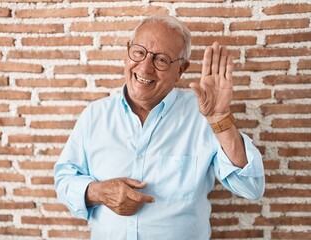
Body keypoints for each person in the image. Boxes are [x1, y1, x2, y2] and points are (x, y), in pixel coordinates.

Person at [54, 14, 265, 240]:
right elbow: (64, 179)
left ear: (181, 70)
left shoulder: (205, 116)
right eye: (138, 52)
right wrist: (97, 192)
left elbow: (251, 187)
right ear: (127, 52)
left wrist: (221, 118)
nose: (144, 68)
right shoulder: (94, 115)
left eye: (161, 59)